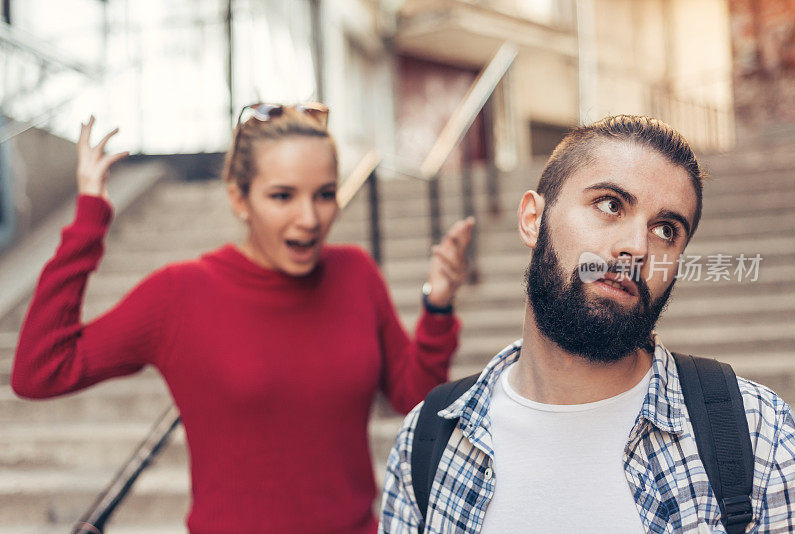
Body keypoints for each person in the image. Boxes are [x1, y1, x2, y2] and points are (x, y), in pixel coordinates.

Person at [11, 105, 475, 534]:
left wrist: (437, 306)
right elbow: (40, 371)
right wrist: (88, 223)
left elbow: (413, 398)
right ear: (239, 198)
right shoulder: (179, 293)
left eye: (325, 194)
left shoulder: (356, 273)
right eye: (282, 196)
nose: (309, 218)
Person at [380, 115, 795, 533]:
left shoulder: (758, 431)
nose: (635, 248)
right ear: (532, 219)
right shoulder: (430, 438)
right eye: (609, 205)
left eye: (666, 230)